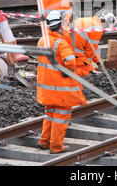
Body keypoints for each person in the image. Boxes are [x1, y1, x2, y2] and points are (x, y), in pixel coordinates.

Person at [36, 10, 87, 154]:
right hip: (61, 89)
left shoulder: (42, 41)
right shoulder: (61, 43)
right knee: (61, 117)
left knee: (50, 113)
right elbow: (70, 63)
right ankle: (56, 147)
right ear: (59, 26)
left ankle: (44, 141)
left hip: (47, 88)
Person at [73, 12, 116, 77]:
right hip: (75, 52)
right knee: (90, 74)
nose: (104, 32)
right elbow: (90, 53)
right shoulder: (97, 30)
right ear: (106, 24)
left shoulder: (92, 21)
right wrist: (90, 65)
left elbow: (93, 49)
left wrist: (99, 62)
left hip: (67, 46)